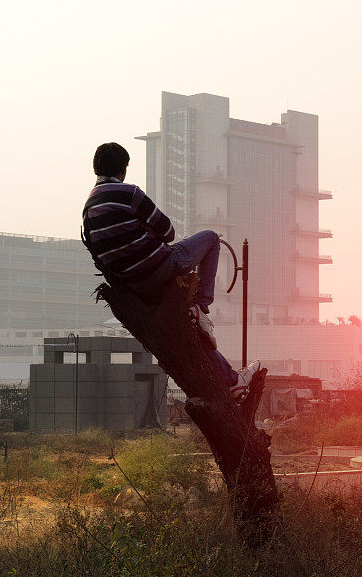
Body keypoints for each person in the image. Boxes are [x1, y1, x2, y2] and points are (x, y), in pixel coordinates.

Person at [82, 142, 260, 399]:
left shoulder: (88, 209)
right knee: (211, 238)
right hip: (161, 267)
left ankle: (231, 380)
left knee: (189, 329)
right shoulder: (129, 194)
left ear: (95, 168)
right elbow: (168, 232)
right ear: (123, 169)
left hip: (133, 286)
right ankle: (202, 306)